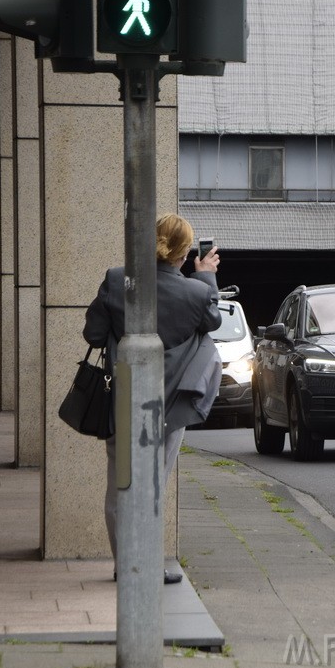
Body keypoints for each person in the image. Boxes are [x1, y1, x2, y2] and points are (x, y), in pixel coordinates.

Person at [83, 213, 223, 584]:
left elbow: (94, 333)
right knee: (154, 484)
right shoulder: (197, 292)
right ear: (184, 253)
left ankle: (123, 564)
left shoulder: (117, 279)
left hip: (124, 399)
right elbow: (212, 323)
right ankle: (146, 565)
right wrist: (205, 273)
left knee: (119, 484)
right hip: (171, 405)